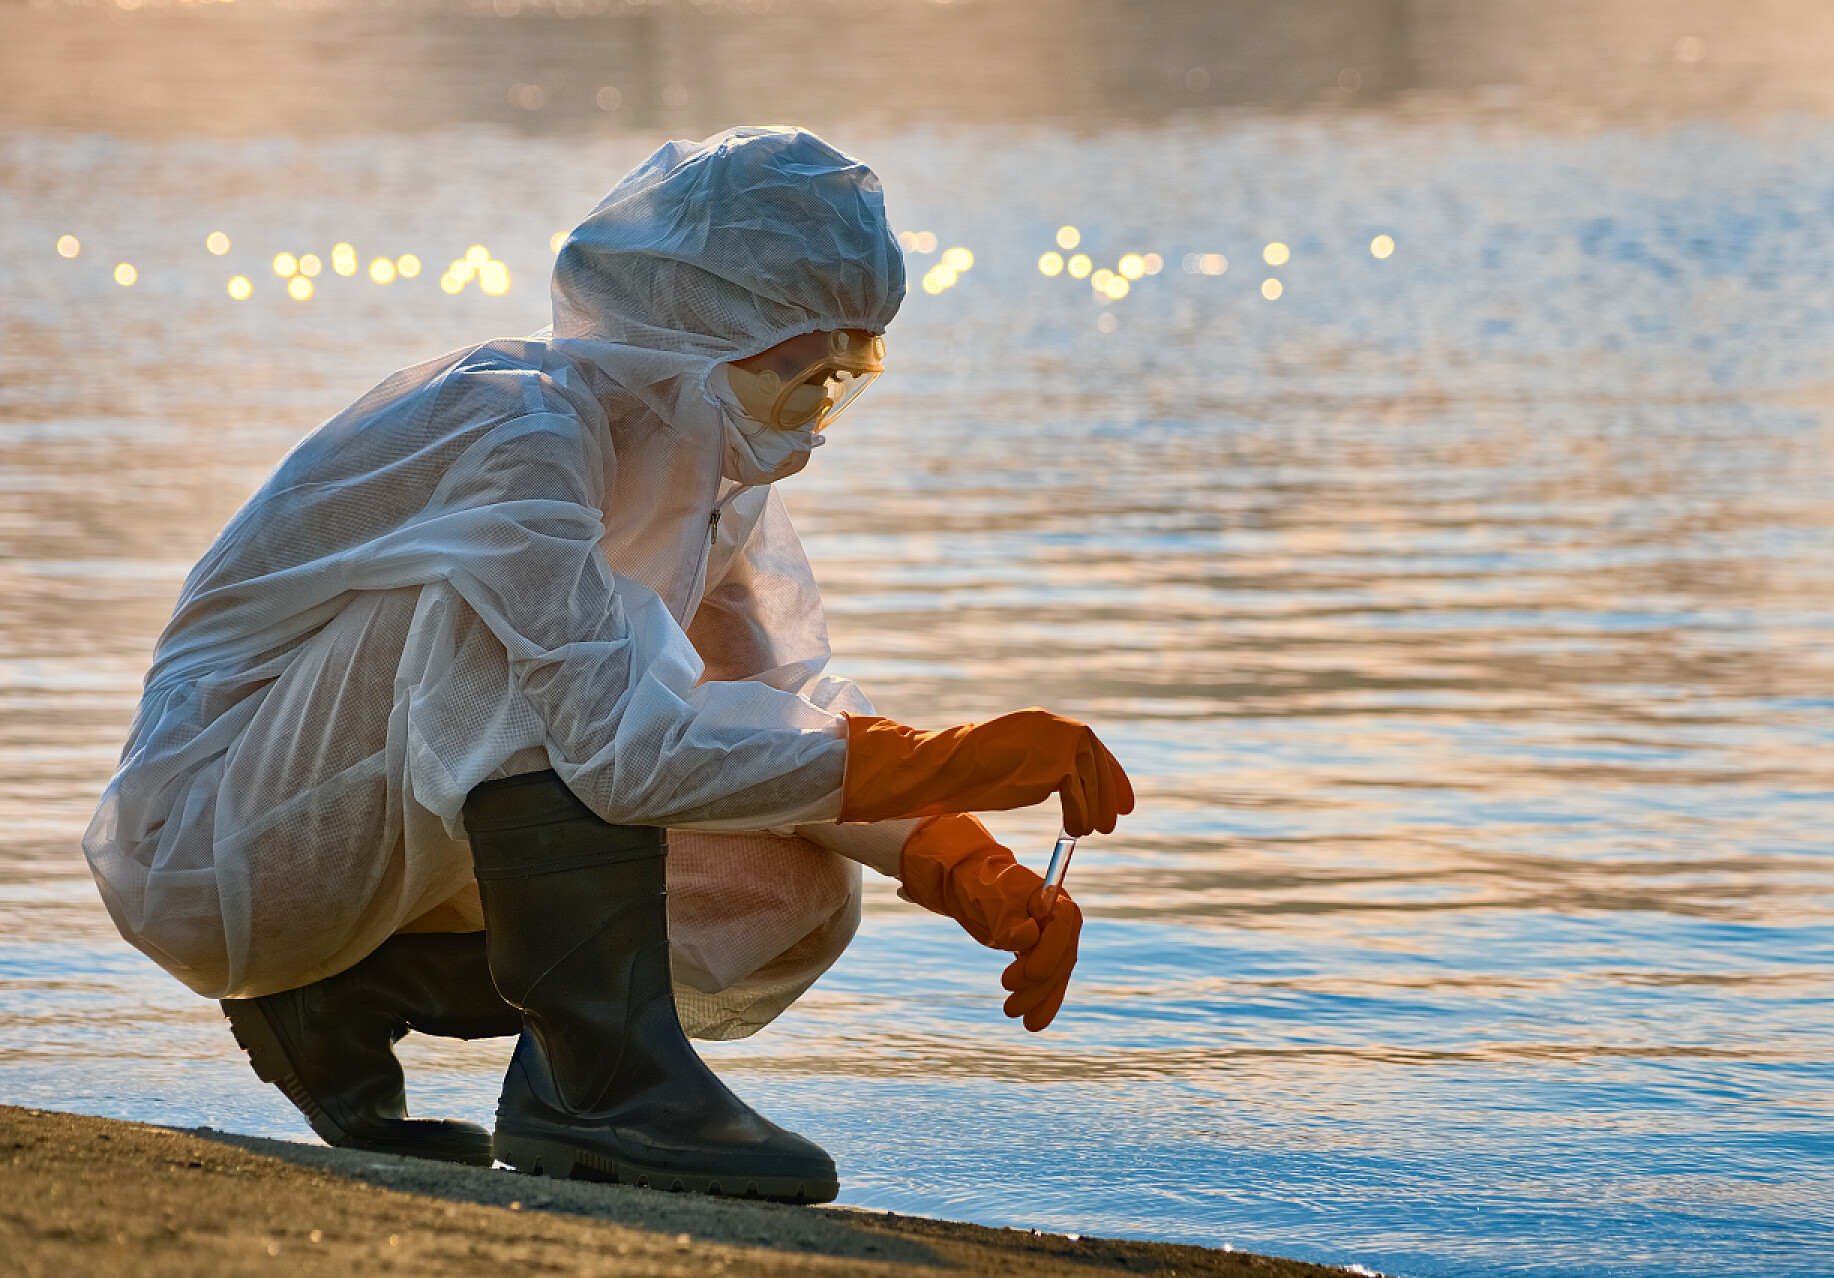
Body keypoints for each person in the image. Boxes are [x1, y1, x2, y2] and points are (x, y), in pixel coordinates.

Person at [81, 127, 1133, 1203]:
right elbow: (621, 751)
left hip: (363, 845)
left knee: (794, 878)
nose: (814, 427)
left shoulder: (699, 484)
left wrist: (966, 867)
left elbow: (768, 717)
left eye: (842, 380)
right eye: (794, 377)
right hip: (215, 843)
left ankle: (353, 1004)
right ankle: (602, 1091)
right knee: (516, 634)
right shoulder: (514, 435)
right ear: (691, 334)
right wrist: (954, 757)